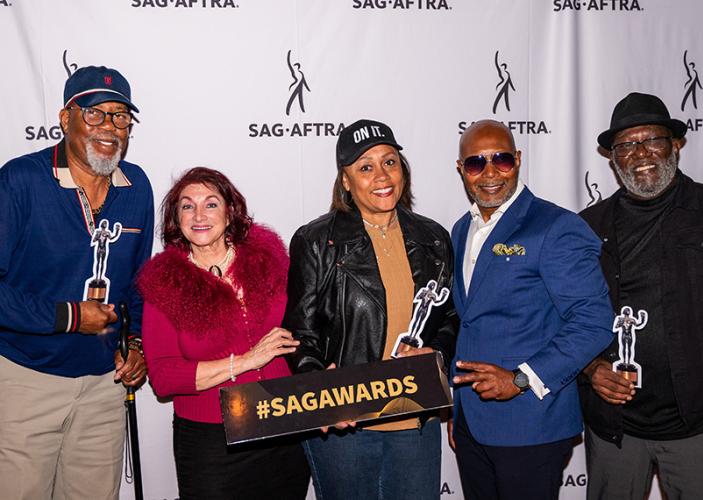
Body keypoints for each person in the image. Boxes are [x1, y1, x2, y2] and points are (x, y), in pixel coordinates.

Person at [283, 119, 458, 500]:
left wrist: (439, 353)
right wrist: (320, 391)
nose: (381, 175)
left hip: (417, 421)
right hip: (346, 427)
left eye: (390, 162)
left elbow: (451, 318)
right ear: (345, 181)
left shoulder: (434, 238)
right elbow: (300, 334)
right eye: (365, 167)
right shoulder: (316, 241)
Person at [0, 65, 153, 499]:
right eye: (94, 113)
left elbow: (140, 282)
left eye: (120, 116)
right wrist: (68, 316)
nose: (109, 127)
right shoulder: (20, 180)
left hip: (104, 385)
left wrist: (137, 343)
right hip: (27, 377)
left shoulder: (136, 185)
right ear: (66, 118)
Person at [449, 120, 613, 500]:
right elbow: (469, 322)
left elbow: (594, 323)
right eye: (476, 163)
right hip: (472, 423)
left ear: (518, 160)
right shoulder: (461, 229)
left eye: (501, 159)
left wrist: (521, 379)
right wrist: (459, 414)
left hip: (532, 423)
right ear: (461, 170)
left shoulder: (556, 227)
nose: (490, 173)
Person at [579, 91, 703, 499]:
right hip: (615, 429)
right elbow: (563, 317)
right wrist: (591, 369)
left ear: (675, 144)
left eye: (653, 139)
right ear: (613, 158)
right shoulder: (586, 228)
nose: (641, 153)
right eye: (626, 144)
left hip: (701, 426)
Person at [137, 167, 310, 500]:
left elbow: (306, 328)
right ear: (176, 218)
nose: (199, 215)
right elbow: (164, 376)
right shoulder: (164, 281)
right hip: (212, 442)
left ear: (230, 212)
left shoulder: (270, 260)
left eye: (211, 204)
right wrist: (246, 361)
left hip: (284, 426)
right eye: (187, 206)